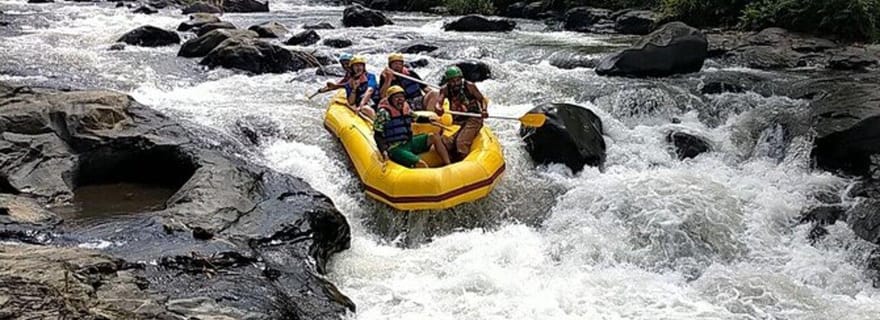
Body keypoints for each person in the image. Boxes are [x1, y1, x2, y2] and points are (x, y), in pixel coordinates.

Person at [374, 85, 451, 168]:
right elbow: (377, 134)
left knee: (434, 136)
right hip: (395, 148)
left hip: (409, 142)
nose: (400, 100)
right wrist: (383, 151)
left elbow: (416, 118)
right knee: (420, 163)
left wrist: (428, 119)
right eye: (396, 97)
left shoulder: (405, 108)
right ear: (390, 100)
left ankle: (448, 164)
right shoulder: (383, 113)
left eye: (401, 97)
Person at [434, 66, 487, 161]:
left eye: (458, 80)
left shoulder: (470, 86)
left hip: (474, 118)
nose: (456, 83)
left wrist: (484, 110)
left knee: (461, 143)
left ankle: (465, 162)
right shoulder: (445, 89)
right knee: (446, 142)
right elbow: (439, 102)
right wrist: (438, 108)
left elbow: (482, 99)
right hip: (460, 120)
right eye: (452, 81)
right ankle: (451, 161)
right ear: (448, 81)